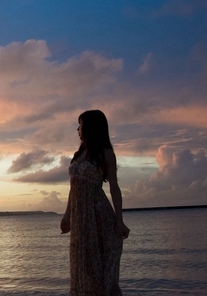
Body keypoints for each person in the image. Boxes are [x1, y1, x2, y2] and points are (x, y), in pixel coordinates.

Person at [60, 110, 129, 295]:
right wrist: (67, 215)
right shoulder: (77, 155)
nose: (77, 129)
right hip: (81, 219)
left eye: (80, 125)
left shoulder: (106, 154)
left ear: (90, 128)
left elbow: (114, 187)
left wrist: (119, 220)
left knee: (99, 266)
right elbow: (73, 188)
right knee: (83, 265)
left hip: (98, 215)